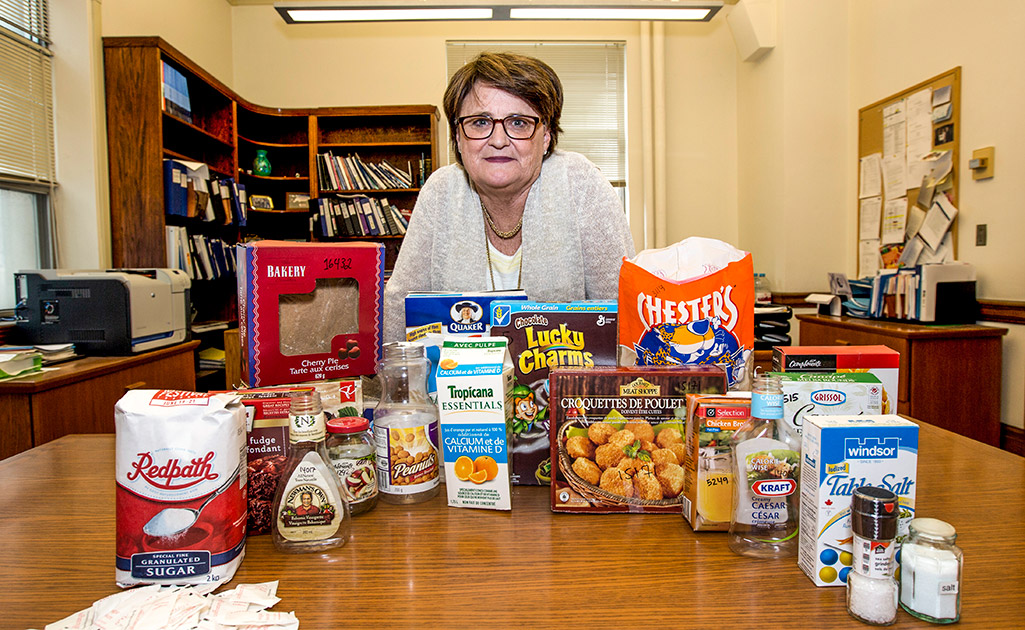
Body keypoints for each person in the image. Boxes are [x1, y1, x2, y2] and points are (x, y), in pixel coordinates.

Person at [383, 52, 635, 342]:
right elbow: (398, 310)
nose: (498, 140)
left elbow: (622, 315)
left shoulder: (581, 183)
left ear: (546, 136)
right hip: (454, 383)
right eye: (479, 122)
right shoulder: (440, 193)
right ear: (458, 138)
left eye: (518, 123)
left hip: (566, 383)